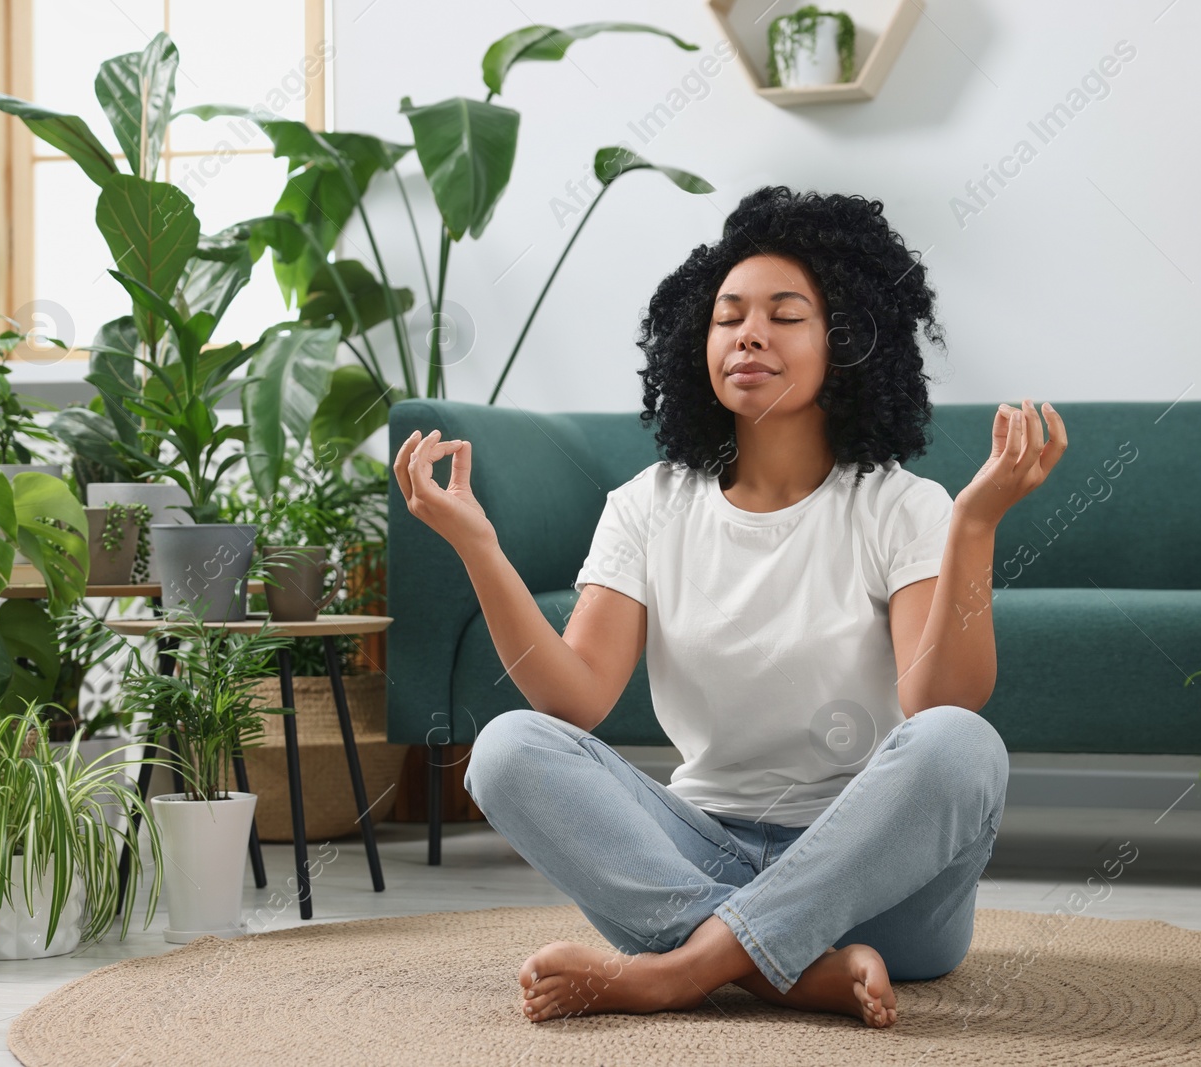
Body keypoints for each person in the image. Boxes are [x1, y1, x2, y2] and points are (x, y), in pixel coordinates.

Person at [392, 186, 1067, 1029]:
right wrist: (479, 548)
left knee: (962, 745)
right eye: (728, 315)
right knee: (504, 749)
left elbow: (941, 701)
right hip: (696, 853)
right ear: (695, 342)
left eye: (786, 315)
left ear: (846, 341)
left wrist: (973, 523)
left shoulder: (902, 504)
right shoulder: (647, 504)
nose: (749, 332)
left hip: (876, 886)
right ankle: (793, 970)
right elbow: (575, 700)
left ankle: (679, 973)